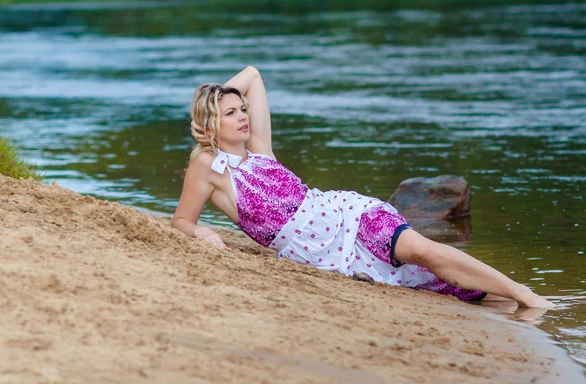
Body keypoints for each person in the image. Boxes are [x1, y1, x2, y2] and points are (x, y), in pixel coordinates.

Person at [171, 66, 554, 308]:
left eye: (242, 110)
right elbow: (182, 221)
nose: (242, 117)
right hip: (323, 258)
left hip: (349, 217)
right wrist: (201, 231)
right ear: (211, 123)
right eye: (230, 113)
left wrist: (211, 103)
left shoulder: (260, 151)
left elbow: (252, 75)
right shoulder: (207, 167)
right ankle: (515, 300)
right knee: (436, 284)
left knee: (424, 251)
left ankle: (523, 293)